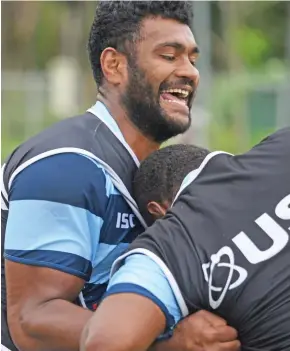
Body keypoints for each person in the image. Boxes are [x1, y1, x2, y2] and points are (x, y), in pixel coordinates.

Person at [1, 2, 239, 351]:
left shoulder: (156, 171)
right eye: (169, 56)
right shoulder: (68, 164)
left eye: (192, 58)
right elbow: (34, 323)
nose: (189, 71)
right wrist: (169, 343)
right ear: (114, 66)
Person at [81, 127, 290, 351]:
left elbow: (104, 343)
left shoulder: (167, 246)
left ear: (158, 210)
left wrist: (174, 345)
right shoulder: (280, 148)